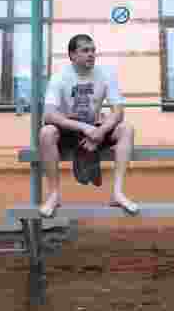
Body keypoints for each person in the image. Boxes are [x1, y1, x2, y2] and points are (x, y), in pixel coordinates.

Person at [37, 34, 138, 218]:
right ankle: (53, 195)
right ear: (72, 55)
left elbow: (118, 111)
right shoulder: (59, 77)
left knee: (127, 128)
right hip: (70, 132)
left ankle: (117, 193)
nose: (91, 54)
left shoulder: (106, 74)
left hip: (96, 129)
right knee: (46, 132)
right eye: (85, 50)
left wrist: (100, 131)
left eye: (93, 50)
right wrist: (84, 128)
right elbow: (49, 114)